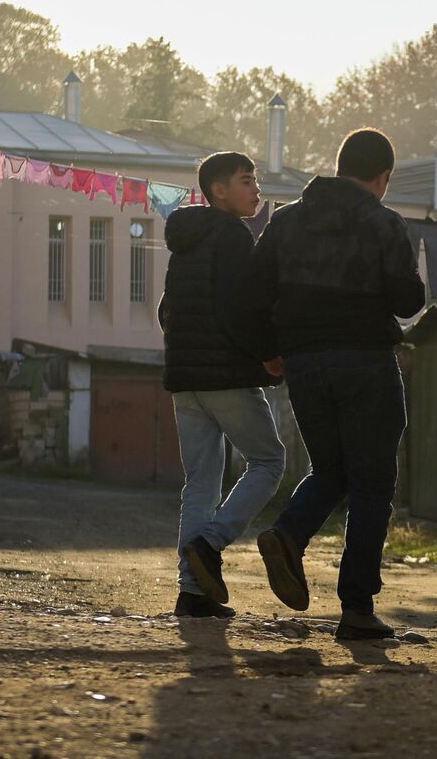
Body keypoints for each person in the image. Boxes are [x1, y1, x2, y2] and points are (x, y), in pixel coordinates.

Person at [247, 128, 425, 640]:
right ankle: (356, 608)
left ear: (339, 164)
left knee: (331, 469)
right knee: (372, 483)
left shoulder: (286, 221)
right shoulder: (383, 222)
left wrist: (270, 352)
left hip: (305, 365)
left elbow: (254, 293)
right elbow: (407, 301)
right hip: (367, 362)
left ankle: (288, 533)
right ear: (383, 177)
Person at [159, 151, 288, 620]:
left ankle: (192, 593)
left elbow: (165, 311)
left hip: (185, 381)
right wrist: (269, 353)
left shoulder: (185, 242)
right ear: (218, 191)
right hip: (226, 377)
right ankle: (209, 545)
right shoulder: (233, 235)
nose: (255, 190)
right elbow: (241, 309)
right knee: (270, 461)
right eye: (246, 180)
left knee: (200, 484)